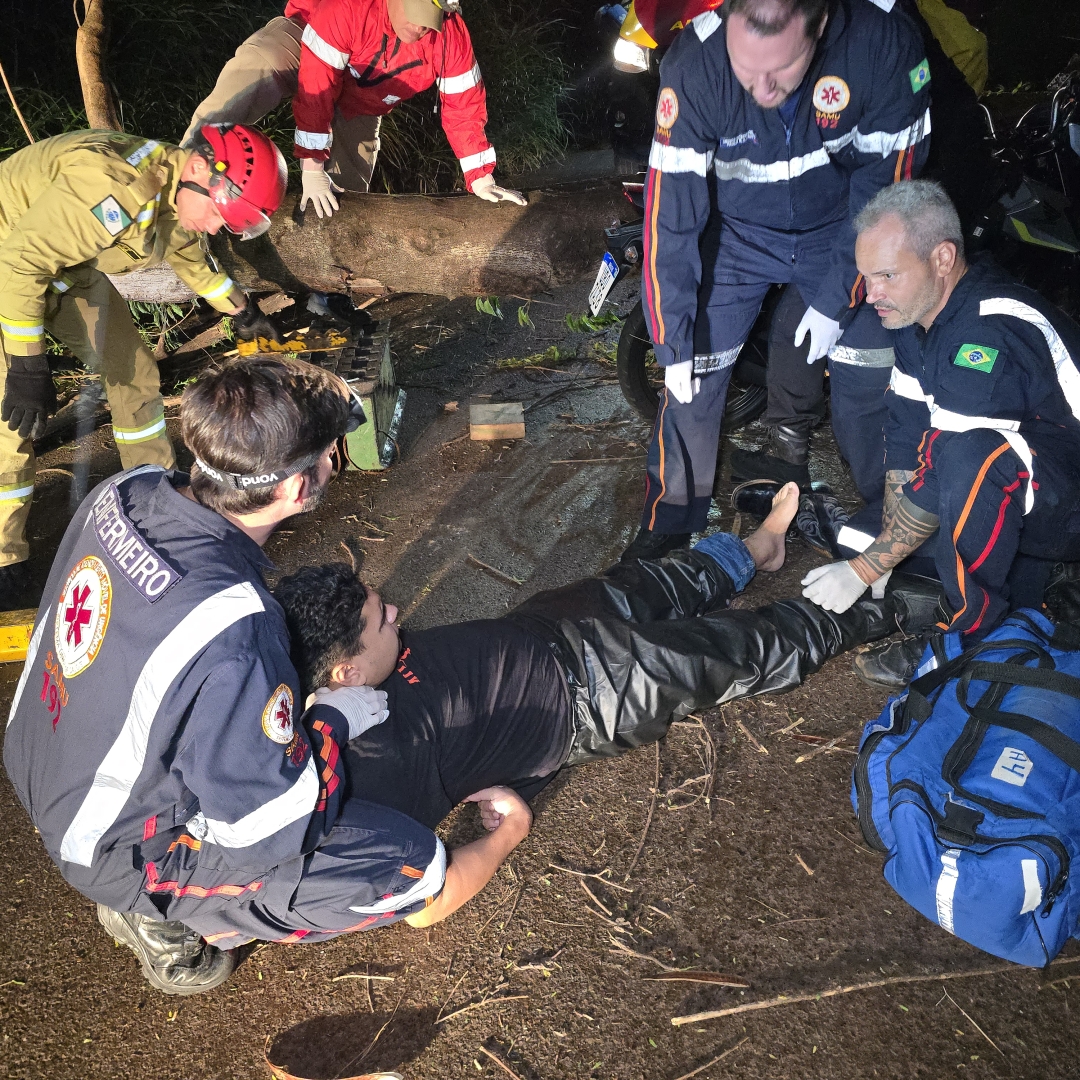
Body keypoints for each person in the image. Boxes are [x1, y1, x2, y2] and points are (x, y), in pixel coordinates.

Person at [2, 355, 450, 997]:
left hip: (38, 755)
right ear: (298, 488)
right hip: (114, 847)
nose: (334, 463)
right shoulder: (233, 627)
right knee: (407, 863)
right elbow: (275, 824)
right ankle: (163, 915)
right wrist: (331, 717)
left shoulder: (125, 492)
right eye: (331, 453)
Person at [274, 489, 940, 845]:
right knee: (742, 648)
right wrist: (508, 827)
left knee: (660, 581)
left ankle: (759, 546)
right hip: (596, 695)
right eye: (378, 619)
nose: (394, 611)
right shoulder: (368, 776)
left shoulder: (316, 705)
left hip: (537, 626)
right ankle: (888, 609)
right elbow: (423, 901)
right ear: (346, 675)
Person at [623, 0, 931, 562]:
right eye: (747, 69)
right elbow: (671, 216)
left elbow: (889, 192)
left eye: (781, 70)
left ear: (818, 27)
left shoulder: (881, 46)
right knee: (693, 373)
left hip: (843, 230)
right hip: (737, 236)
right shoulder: (695, 64)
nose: (762, 88)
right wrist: (670, 337)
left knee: (868, 367)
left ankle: (888, 521)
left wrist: (841, 291)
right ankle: (669, 518)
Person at [800, 179, 1080, 689]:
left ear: (943, 258)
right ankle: (1001, 579)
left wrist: (866, 569)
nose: (872, 294)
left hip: (1067, 496)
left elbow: (950, 464)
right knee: (860, 534)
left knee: (968, 455)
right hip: (1029, 488)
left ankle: (969, 636)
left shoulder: (986, 327)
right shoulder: (915, 321)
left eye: (887, 275)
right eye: (866, 277)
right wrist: (881, 548)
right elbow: (906, 435)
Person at [0, 124, 287, 605]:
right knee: (9, 422)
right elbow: (19, 264)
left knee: (132, 370)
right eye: (220, 215)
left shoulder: (175, 191)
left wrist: (243, 311)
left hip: (64, 273)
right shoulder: (114, 185)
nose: (218, 228)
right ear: (199, 170)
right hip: (10, 262)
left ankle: (154, 499)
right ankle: (6, 555)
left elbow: (192, 259)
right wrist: (27, 367)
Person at [183, 0, 525, 217]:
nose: (421, 26)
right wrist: (312, 167)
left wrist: (481, 177)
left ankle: (325, 291)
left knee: (348, 186)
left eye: (430, 17)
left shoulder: (450, 35)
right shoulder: (348, 6)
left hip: (363, 95)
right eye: (416, 11)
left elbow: (463, 106)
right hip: (311, 39)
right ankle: (182, 169)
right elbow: (316, 87)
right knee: (261, 64)